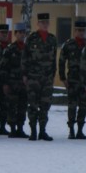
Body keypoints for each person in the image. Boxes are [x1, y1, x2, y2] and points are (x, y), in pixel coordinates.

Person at [21, 12, 57, 141]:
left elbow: (54, 60)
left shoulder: (52, 39)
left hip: (47, 78)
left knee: (45, 105)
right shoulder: (31, 38)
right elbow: (24, 57)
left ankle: (42, 130)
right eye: (42, 22)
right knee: (33, 104)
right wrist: (24, 75)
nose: (45, 24)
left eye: (47, 22)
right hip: (33, 77)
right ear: (38, 24)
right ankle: (33, 131)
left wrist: (53, 74)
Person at [58, 19, 86, 139]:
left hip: (84, 81)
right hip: (72, 80)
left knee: (83, 106)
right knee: (72, 106)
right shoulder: (68, 44)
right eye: (79, 30)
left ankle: (80, 130)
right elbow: (61, 62)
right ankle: (71, 129)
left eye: (83, 30)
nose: (81, 32)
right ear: (75, 31)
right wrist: (62, 78)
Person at [0, 23, 29, 138]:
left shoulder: (28, 48)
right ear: (15, 34)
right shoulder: (10, 49)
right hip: (12, 83)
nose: (22, 35)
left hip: (23, 83)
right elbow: (3, 68)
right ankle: (12, 128)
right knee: (12, 106)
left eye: (23, 33)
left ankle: (20, 128)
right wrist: (5, 84)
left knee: (22, 106)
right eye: (19, 33)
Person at [0, 23, 12, 135]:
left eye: (5, 33)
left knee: (4, 104)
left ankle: (2, 126)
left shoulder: (10, 47)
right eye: (2, 33)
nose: (4, 35)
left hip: (5, 81)